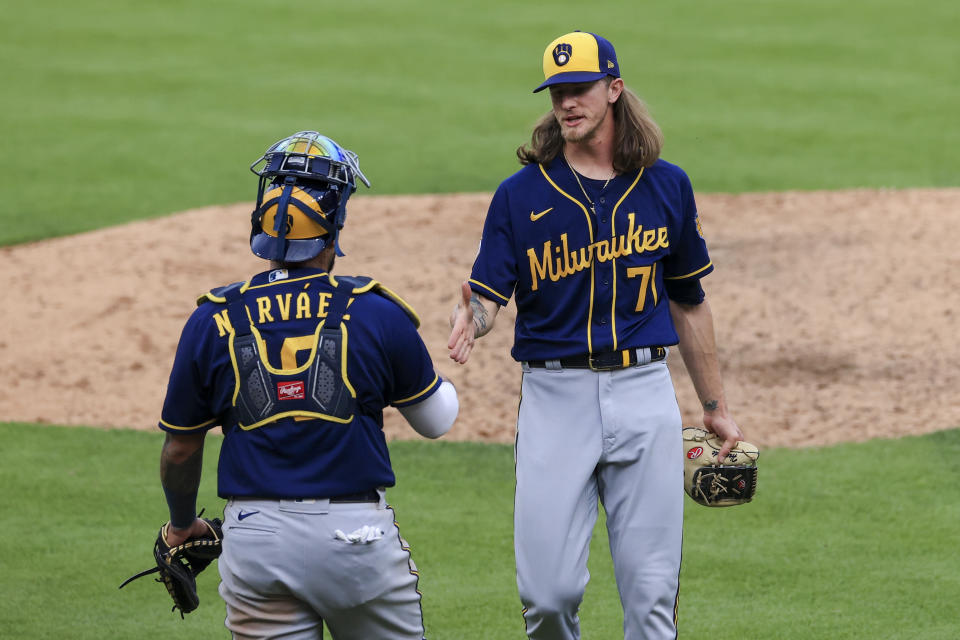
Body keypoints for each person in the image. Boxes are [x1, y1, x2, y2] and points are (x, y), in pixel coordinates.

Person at [447, 32, 745, 639]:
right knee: (548, 596)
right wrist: (472, 319)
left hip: (644, 393)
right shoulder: (520, 195)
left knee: (653, 597)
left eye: (579, 89)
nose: (567, 103)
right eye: (557, 92)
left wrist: (713, 406)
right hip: (557, 401)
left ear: (614, 89)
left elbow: (689, 302)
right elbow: (488, 298)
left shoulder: (666, 186)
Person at [158, 131, 458, 640]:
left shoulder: (212, 319)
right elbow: (437, 421)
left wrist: (183, 524)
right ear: (335, 223)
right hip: (356, 542)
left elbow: (181, 449)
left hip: (255, 543)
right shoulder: (376, 312)